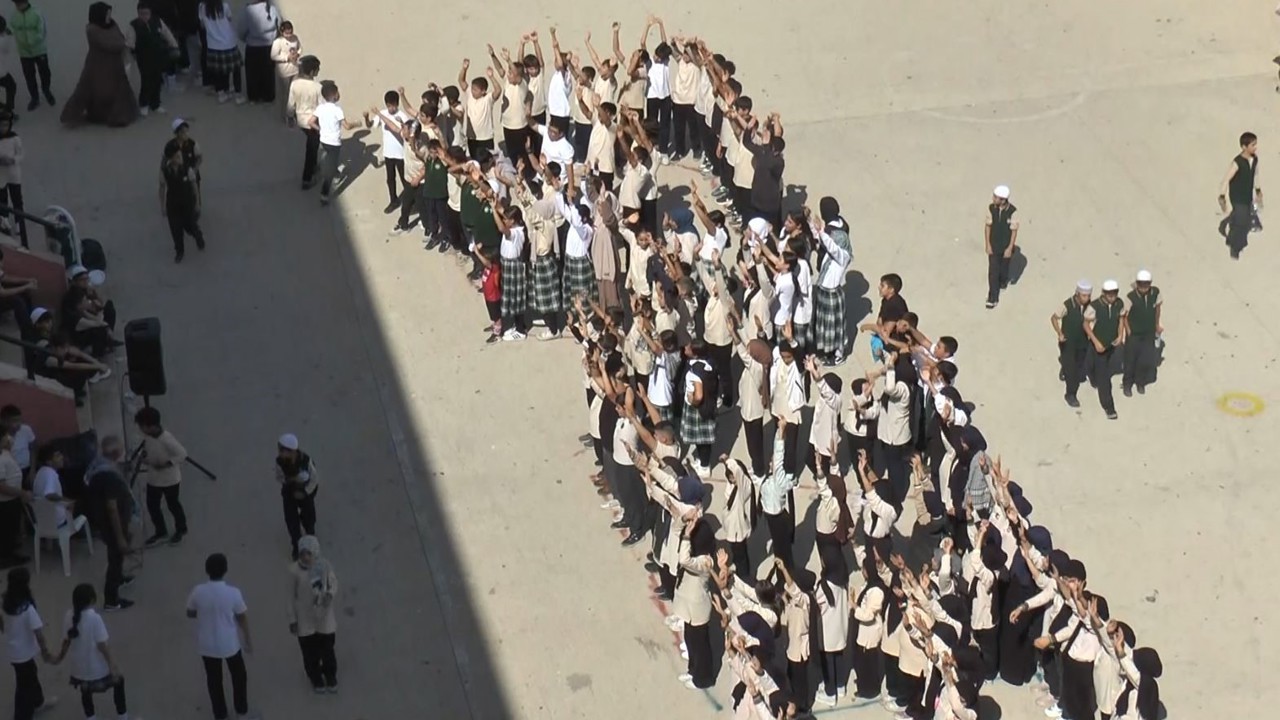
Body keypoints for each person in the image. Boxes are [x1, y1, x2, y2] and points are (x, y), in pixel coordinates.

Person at [187, 553, 253, 720]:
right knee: (239, 676)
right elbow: (242, 617)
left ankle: (220, 714)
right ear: (225, 570)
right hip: (230, 644)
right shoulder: (233, 593)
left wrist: (204, 614)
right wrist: (247, 639)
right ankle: (241, 712)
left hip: (207, 645)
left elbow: (190, 612)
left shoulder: (198, 591)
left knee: (214, 680)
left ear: (207, 570)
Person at [52, 585, 130, 720]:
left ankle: (91, 717)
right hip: (97, 670)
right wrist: (112, 666)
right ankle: (123, 716)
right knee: (119, 681)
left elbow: (66, 640)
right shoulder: (95, 618)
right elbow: (103, 646)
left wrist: (59, 657)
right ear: (92, 600)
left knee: (85, 691)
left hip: (79, 670)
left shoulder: (68, 616)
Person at [60, 3, 137, 128]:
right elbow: (109, 44)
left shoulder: (112, 24)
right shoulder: (92, 30)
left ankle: (118, 117)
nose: (109, 16)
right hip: (97, 66)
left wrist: (122, 42)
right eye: (107, 14)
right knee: (91, 89)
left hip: (115, 66)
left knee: (118, 90)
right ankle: (76, 115)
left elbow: (119, 38)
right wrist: (123, 43)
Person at [83, 436, 136, 611]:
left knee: (116, 557)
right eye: (121, 450)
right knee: (115, 557)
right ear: (115, 453)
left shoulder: (97, 465)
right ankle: (111, 600)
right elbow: (112, 507)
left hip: (102, 520)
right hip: (113, 524)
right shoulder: (109, 477)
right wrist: (120, 537)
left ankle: (119, 577)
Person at [2, 567, 56, 720]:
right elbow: (38, 633)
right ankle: (22, 715)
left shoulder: (4, 602)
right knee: (24, 686)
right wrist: (45, 652)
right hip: (24, 653)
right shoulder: (27, 609)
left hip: (14, 651)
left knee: (30, 675)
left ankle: (38, 701)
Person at [287, 535, 338, 693]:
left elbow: (333, 582)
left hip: (324, 617)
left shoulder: (324, 566)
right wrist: (292, 620)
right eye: (302, 553)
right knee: (310, 653)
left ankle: (330, 676)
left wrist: (330, 594)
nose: (305, 557)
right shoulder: (294, 571)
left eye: (308, 553)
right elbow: (289, 597)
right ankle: (315, 678)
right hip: (305, 620)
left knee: (327, 649)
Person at [135, 406, 189, 546]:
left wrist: (167, 464)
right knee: (152, 506)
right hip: (154, 479)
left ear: (151, 426)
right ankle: (161, 531)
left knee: (173, 504)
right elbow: (149, 449)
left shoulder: (167, 439)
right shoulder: (148, 437)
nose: (141, 429)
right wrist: (145, 456)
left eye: (142, 426)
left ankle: (181, 529)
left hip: (170, 480)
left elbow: (182, 454)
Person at [309, 81, 365, 205]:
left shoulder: (321, 108)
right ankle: (324, 194)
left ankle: (333, 170)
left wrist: (320, 130)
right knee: (330, 167)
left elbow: (311, 122)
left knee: (329, 159)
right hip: (334, 143)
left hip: (323, 140)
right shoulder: (337, 110)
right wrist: (356, 123)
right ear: (334, 95)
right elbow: (347, 126)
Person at [1083, 279, 1125, 420]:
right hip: (1097, 344)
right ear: (1103, 293)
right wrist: (1096, 342)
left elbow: (1121, 319)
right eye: (1109, 294)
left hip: (1110, 344)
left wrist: (1120, 335)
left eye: (1114, 293)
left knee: (1095, 364)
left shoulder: (1119, 304)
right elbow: (1086, 325)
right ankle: (1109, 407)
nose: (1112, 297)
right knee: (1104, 377)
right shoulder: (1095, 307)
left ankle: (1092, 375)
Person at [126, 1, 176, 117]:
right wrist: (131, 52)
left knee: (157, 79)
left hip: (158, 56)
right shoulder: (133, 25)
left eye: (146, 13)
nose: (144, 16)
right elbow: (130, 42)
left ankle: (156, 104)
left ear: (150, 12)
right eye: (141, 13)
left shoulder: (157, 21)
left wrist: (174, 45)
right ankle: (144, 104)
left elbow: (167, 33)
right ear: (138, 13)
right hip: (143, 58)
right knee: (146, 81)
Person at [160, 137, 204, 262]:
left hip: (187, 204)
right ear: (171, 158)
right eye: (177, 155)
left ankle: (198, 236)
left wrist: (197, 204)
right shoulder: (165, 171)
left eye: (179, 154)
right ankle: (179, 251)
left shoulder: (188, 169)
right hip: (173, 205)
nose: (180, 156)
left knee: (190, 227)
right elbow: (162, 188)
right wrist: (162, 206)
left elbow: (194, 185)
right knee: (175, 230)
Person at [1218, 131, 1261, 259]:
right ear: (1244, 147)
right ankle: (1234, 246)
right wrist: (1222, 196)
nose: (1255, 147)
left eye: (1255, 144)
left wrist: (1258, 190)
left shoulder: (1255, 159)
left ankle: (1241, 228)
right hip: (1238, 198)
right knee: (1240, 223)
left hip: (1247, 196)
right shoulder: (1237, 163)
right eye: (1253, 145)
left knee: (1245, 217)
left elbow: (1256, 175)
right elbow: (1226, 180)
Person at [275, 433, 318, 560]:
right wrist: (290, 480)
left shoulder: (306, 461)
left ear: (292, 452)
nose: (281, 454)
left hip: (305, 492)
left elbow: (314, 480)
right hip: (289, 491)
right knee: (291, 519)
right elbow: (279, 477)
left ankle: (310, 538)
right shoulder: (280, 462)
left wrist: (304, 493)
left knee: (308, 516)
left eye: (283, 450)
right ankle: (296, 544)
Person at [1052, 280, 1093, 410]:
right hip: (1068, 342)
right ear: (1077, 294)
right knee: (1072, 370)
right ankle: (1070, 394)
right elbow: (1054, 318)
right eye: (1084, 296)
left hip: (1082, 341)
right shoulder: (1067, 305)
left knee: (1080, 362)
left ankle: (1064, 368)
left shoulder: (1089, 306)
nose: (1086, 299)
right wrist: (1059, 333)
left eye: (1088, 296)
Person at [1121, 270, 1162, 397]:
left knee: (1144, 360)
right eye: (1141, 284)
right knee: (1130, 360)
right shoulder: (1130, 297)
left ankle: (1140, 382)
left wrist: (1156, 325)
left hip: (1148, 332)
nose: (1144, 288)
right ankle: (1127, 384)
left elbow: (1158, 308)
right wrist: (1128, 330)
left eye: (1146, 284)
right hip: (1134, 335)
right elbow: (1124, 315)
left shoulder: (1155, 293)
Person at [32, 445, 88, 536]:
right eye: (57, 456)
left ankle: (49, 544)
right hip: (56, 522)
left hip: (42, 521)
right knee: (80, 503)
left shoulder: (40, 472)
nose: (62, 457)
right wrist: (66, 500)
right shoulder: (51, 474)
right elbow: (49, 494)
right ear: (49, 462)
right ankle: (74, 533)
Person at [369, 90, 411, 214]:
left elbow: (405, 133)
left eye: (393, 105)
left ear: (397, 104)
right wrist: (367, 118)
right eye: (389, 105)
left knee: (405, 179)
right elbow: (371, 125)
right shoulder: (382, 113)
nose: (391, 108)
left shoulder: (402, 116)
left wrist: (403, 124)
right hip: (388, 153)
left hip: (401, 154)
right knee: (390, 179)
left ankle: (410, 201)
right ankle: (394, 200)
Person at [8, 0, 51, 111]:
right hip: (24, 53)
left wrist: (30, 42)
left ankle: (46, 90)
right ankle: (34, 98)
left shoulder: (36, 13)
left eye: (19, 4)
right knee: (29, 76)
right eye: (16, 4)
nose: (17, 6)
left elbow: (41, 31)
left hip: (39, 50)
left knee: (45, 72)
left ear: (25, 2)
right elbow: (13, 29)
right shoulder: (14, 16)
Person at [286, 54, 321, 187]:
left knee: (313, 145)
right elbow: (322, 107)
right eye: (318, 69)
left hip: (301, 120)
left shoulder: (295, 83)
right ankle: (307, 178)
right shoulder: (317, 87)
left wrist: (290, 117)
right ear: (312, 72)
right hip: (313, 122)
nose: (319, 71)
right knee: (311, 149)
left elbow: (291, 103)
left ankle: (314, 166)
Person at [198, 0, 242, 104]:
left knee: (218, 70)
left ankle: (221, 92)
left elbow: (202, 25)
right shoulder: (224, 6)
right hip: (228, 42)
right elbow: (229, 19)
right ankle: (238, 94)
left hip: (213, 44)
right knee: (236, 68)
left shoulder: (202, 7)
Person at [984, 184, 1019, 308]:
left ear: (1003, 200)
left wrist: (1010, 248)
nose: (993, 199)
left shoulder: (1013, 212)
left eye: (996, 197)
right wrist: (988, 244)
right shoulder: (991, 209)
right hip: (994, 245)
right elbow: (988, 227)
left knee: (1003, 268)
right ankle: (992, 297)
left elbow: (1014, 231)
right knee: (993, 271)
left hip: (1005, 246)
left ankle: (1003, 281)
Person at [236, 0, 276, 104]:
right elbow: (278, 24)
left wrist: (245, 38)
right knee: (268, 72)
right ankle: (268, 95)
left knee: (252, 73)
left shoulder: (248, 10)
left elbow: (241, 29)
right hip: (269, 45)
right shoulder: (272, 8)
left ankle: (254, 96)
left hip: (253, 45)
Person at [0, 432, 29, 567]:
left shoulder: (5, 452)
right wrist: (22, 493)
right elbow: (1, 486)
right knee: (6, 531)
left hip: (13, 499)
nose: (9, 439)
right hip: (5, 502)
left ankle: (11, 553)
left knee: (12, 530)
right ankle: (6, 558)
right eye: (5, 436)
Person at [0, 109, 25, 247]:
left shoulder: (15, 138)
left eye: (5, 125)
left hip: (14, 174)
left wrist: (13, 160)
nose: (3, 128)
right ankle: (4, 223)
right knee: (2, 201)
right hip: (1, 174)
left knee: (17, 200)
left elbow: (21, 155)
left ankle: (19, 223)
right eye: (1, 125)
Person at [268, 19, 298, 121]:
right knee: (285, 95)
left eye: (290, 32)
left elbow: (300, 48)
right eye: (286, 33)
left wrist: (297, 54)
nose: (289, 35)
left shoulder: (295, 38)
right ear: (282, 32)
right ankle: (284, 115)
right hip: (284, 72)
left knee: (294, 93)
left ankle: (292, 113)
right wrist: (287, 58)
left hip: (295, 70)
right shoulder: (278, 42)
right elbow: (273, 56)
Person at [0, 18, 16, 111]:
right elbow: (6, 49)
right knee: (11, 86)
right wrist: (8, 35)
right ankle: (8, 112)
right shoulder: (2, 41)